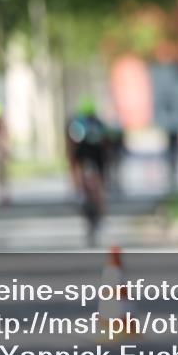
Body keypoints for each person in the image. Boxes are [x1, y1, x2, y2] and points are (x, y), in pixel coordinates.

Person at [66, 97, 115, 245]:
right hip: (91, 159)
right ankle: (98, 208)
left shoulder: (81, 124)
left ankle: (89, 201)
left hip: (90, 159)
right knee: (95, 184)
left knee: (92, 183)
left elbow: (73, 147)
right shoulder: (94, 124)